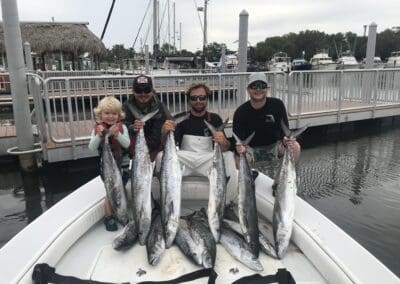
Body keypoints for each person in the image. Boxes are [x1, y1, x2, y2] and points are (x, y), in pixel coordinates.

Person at [232, 72, 301, 178]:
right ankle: (248, 183)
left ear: (267, 89)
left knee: (295, 147)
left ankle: (280, 183)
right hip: (251, 149)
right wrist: (240, 148)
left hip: (274, 147)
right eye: (254, 86)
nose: (258, 89)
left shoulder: (277, 105)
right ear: (248, 89)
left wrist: (287, 140)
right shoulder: (240, 112)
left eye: (262, 86)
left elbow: (284, 131)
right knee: (239, 159)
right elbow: (237, 140)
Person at [160, 82, 233, 179]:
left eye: (202, 97)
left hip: (207, 160)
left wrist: (223, 141)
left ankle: (229, 194)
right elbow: (166, 144)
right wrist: (164, 133)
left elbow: (225, 147)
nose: (198, 101)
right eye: (194, 98)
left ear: (207, 98)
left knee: (229, 156)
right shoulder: (179, 119)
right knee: (160, 156)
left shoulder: (215, 119)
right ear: (189, 100)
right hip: (186, 161)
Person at [88, 96, 130, 231]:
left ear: (119, 115)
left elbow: (127, 144)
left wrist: (118, 135)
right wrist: (100, 136)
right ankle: (109, 216)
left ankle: (122, 212)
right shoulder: (98, 129)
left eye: (114, 113)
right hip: (107, 168)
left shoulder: (122, 127)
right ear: (100, 114)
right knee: (110, 192)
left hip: (122, 167)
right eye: (107, 113)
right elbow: (91, 147)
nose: (111, 117)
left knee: (122, 188)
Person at [122, 74, 167, 162]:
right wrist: (132, 128)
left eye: (146, 90)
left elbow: (157, 133)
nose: (143, 94)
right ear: (133, 91)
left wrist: (144, 151)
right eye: (138, 90)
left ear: (152, 91)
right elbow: (122, 125)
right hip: (132, 149)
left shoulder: (159, 107)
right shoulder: (126, 106)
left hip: (153, 147)